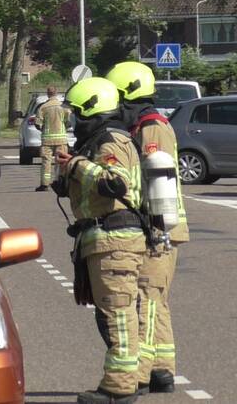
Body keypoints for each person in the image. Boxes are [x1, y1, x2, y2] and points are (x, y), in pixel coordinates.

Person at [54, 77, 144, 404]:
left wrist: (78, 165)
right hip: (101, 240)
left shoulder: (112, 142)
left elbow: (115, 185)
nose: (74, 121)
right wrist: (67, 172)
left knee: (118, 314)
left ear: (92, 110)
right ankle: (123, 381)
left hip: (115, 241)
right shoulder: (96, 143)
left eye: (77, 114)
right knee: (109, 314)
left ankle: (119, 389)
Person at [107, 61, 187, 395]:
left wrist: (157, 228)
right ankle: (161, 370)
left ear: (128, 96)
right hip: (160, 227)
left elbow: (159, 179)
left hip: (159, 228)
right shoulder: (145, 125)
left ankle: (140, 374)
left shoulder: (151, 127)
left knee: (147, 300)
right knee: (155, 299)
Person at [34, 86, 72, 192]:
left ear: (48, 94)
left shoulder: (43, 107)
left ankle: (45, 185)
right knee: (62, 162)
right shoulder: (63, 107)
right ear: (56, 93)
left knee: (46, 162)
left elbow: (37, 124)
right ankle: (62, 183)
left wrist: (43, 129)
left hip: (47, 140)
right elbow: (68, 122)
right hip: (61, 139)